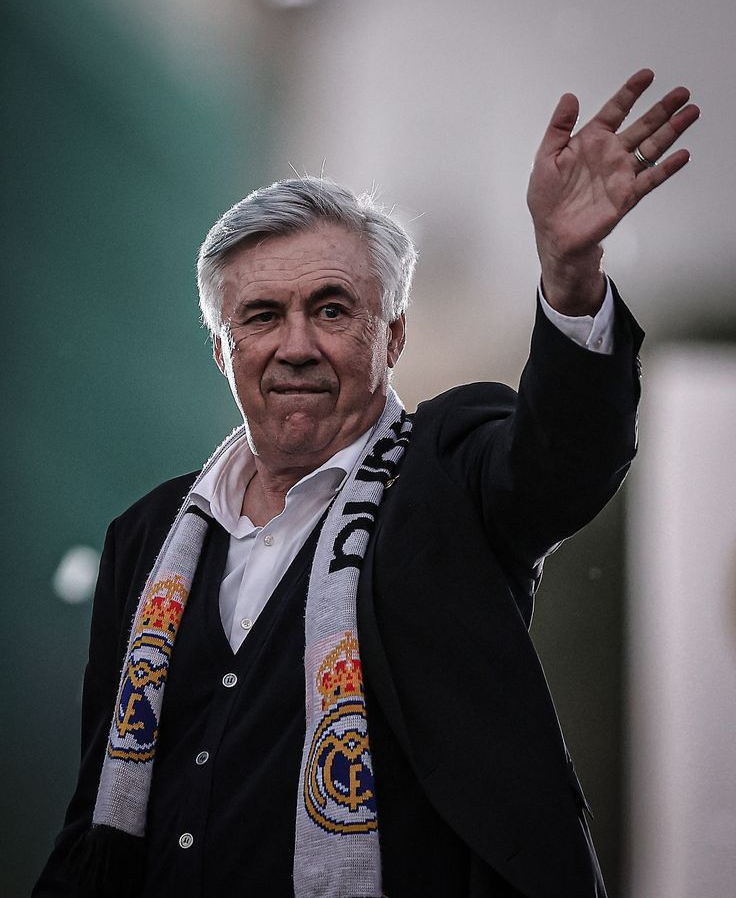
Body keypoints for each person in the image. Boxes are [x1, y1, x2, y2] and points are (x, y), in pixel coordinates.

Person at [34, 69, 698, 898]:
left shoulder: (448, 471)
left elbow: (563, 464)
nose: (298, 344)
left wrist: (570, 276)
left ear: (394, 336)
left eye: (334, 309)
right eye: (263, 316)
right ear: (222, 350)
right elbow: (99, 803)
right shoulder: (146, 534)